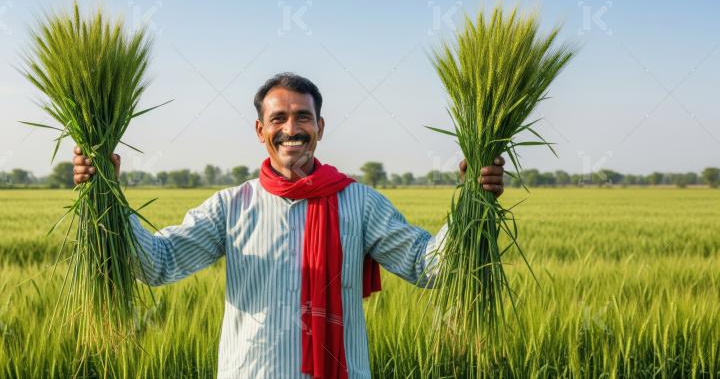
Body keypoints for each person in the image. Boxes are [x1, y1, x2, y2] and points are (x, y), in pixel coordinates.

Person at [72, 72, 505, 379]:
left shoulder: (359, 202)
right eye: (278, 119)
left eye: (302, 117)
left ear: (320, 127)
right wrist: (106, 193)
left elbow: (428, 267)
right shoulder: (231, 206)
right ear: (261, 130)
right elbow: (158, 264)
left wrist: (471, 199)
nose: (291, 129)